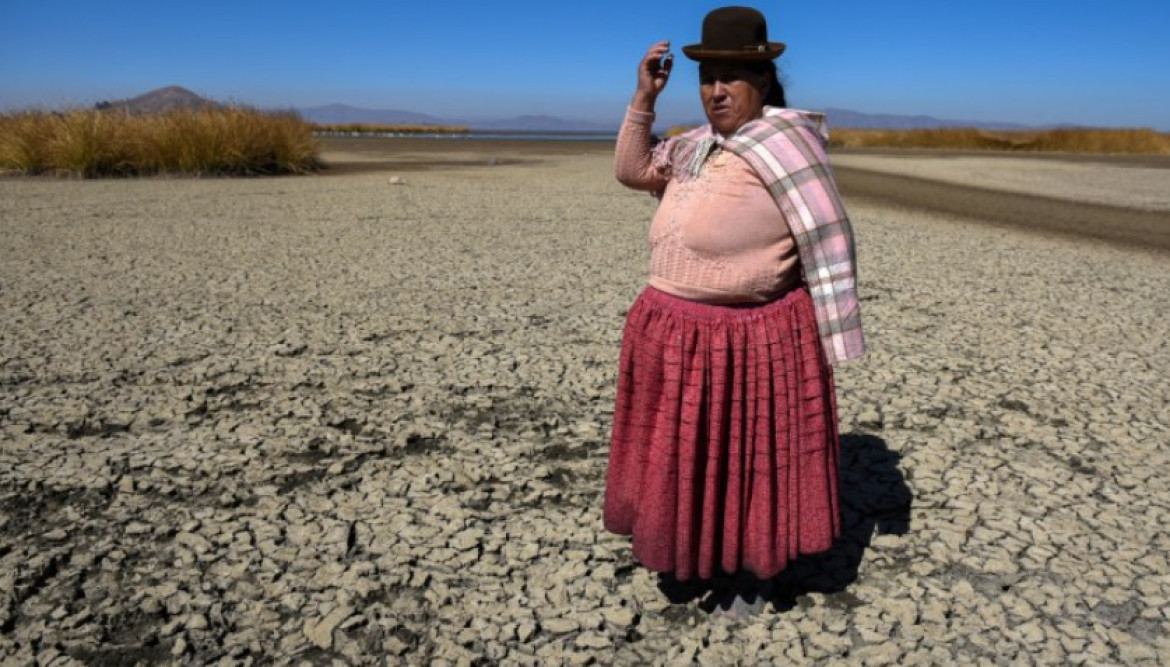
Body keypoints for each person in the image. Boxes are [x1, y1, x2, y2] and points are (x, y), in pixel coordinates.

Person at [603, 6, 865, 618]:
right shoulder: (696, 146)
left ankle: (752, 574)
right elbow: (632, 171)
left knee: (745, 460)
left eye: (732, 77)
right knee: (685, 453)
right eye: (707, 77)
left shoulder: (786, 148)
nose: (716, 91)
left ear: (764, 81)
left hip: (747, 335)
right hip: (672, 330)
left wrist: (830, 325)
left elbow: (829, 234)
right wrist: (644, 98)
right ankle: (690, 550)